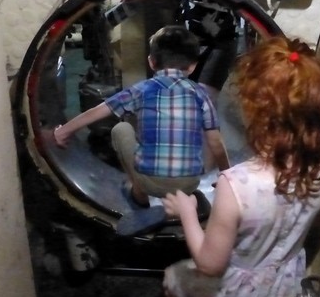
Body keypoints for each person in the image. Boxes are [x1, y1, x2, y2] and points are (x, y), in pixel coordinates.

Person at [162, 36, 320, 297]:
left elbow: (210, 264)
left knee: (173, 281)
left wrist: (186, 213)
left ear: (256, 111)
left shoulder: (236, 185)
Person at [53, 25, 230, 208]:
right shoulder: (201, 94)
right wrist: (227, 176)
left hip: (150, 183)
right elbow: (215, 143)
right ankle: (183, 196)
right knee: (202, 133)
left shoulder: (143, 89)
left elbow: (99, 111)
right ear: (193, 66)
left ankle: (139, 194)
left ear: (151, 62)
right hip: (190, 184)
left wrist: (63, 131)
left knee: (121, 128)